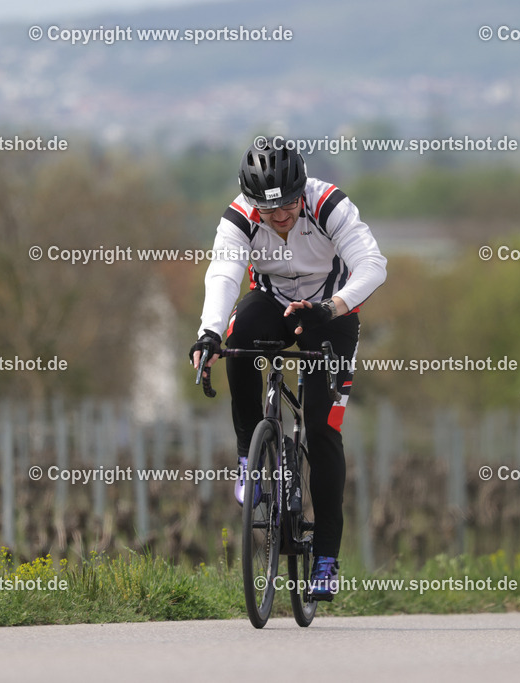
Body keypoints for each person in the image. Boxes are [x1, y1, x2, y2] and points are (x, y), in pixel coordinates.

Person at [189, 137, 387, 600]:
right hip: (274, 302)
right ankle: (249, 458)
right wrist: (208, 333)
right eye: (268, 209)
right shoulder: (238, 217)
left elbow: (372, 266)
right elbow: (223, 272)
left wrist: (333, 308)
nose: (280, 217)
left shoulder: (328, 203)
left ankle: (326, 558)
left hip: (329, 311)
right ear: (252, 202)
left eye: (289, 206)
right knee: (236, 341)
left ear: (302, 188)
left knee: (321, 431)